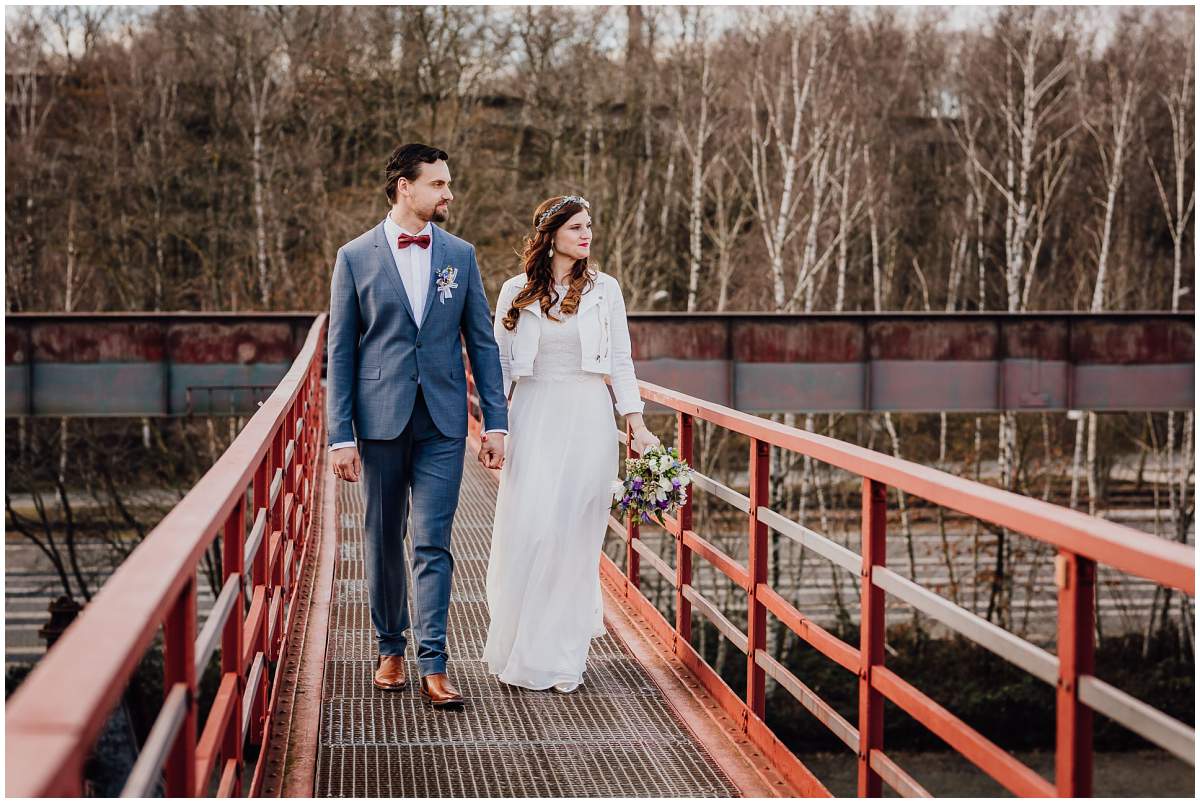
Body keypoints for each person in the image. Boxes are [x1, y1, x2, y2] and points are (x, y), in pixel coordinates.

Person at [326, 143, 509, 709]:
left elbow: (481, 342)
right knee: (382, 540)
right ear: (405, 186)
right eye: (438, 184)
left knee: (433, 541)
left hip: (444, 422)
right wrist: (340, 435)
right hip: (379, 421)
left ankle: (434, 661)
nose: (448, 193)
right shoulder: (353, 257)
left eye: (448, 184)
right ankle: (389, 650)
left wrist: (496, 424)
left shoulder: (461, 253)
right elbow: (341, 352)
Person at [482, 195, 660, 693]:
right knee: (533, 530)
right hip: (533, 416)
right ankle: (521, 643)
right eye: (576, 227)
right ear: (551, 234)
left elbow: (621, 361)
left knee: (573, 541)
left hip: (588, 419)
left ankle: (561, 657)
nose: (586, 236)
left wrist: (636, 424)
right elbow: (497, 367)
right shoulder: (516, 291)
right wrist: (494, 427)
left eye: (589, 227)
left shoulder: (606, 291)